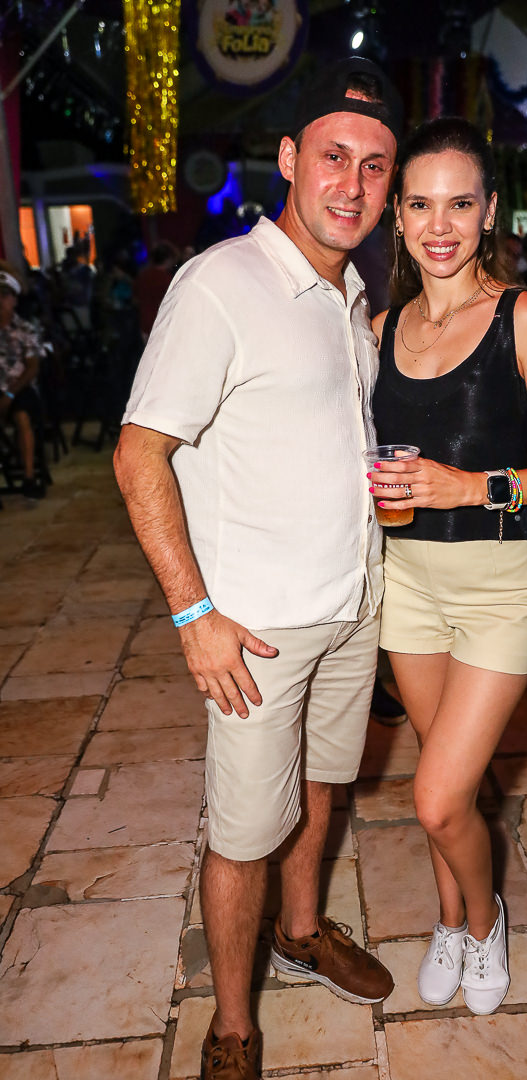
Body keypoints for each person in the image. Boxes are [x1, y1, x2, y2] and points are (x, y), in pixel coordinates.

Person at [113, 58, 402, 1080]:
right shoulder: (222, 284)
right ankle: (232, 1025)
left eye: (376, 166)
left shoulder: (351, 290)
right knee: (243, 834)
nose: (353, 185)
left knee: (323, 787)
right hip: (257, 629)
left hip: (350, 604)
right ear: (288, 158)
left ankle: (303, 930)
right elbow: (138, 454)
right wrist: (194, 614)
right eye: (334, 156)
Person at [366, 117, 527, 1016]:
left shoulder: (522, 317)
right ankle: (447, 919)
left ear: (490, 211)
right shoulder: (379, 330)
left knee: (435, 799)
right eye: (421, 204)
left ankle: (485, 922)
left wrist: (474, 486)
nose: (440, 225)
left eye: (460, 204)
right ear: (397, 215)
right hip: (406, 584)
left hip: (502, 586)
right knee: (449, 777)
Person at [0, 268, 45, 500]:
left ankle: (29, 476)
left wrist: (9, 394)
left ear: (14, 299)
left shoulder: (24, 329)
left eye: (5, 296)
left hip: (18, 386)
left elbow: (32, 367)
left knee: (22, 416)